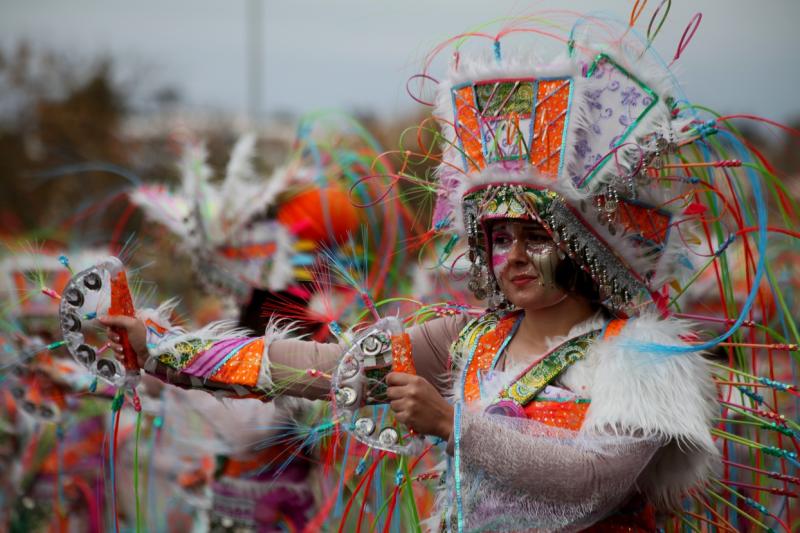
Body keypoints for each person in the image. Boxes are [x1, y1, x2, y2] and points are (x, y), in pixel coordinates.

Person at [99, 15, 732, 532]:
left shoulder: (645, 357)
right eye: (498, 236)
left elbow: (592, 481)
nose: (509, 256)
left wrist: (453, 424)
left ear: (584, 245)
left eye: (535, 235)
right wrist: (160, 348)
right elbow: (320, 369)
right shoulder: (468, 341)